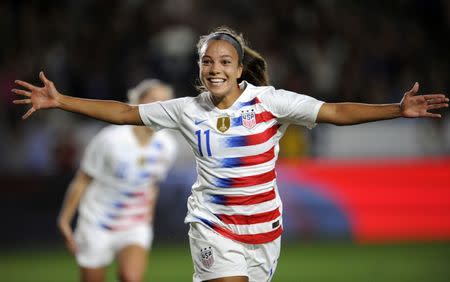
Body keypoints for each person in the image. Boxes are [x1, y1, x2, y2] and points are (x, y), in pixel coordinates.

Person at [13, 26, 448, 282]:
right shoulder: (186, 110)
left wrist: (396, 108)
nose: (214, 69)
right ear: (200, 69)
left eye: (224, 61)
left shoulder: (270, 102)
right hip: (214, 226)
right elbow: (127, 112)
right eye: (207, 62)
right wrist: (61, 100)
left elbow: (333, 110)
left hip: (265, 231)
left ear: (240, 69)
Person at [56, 79, 177, 282]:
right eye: (154, 101)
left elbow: (152, 185)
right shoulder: (110, 139)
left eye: (164, 103)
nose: (159, 108)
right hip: (97, 222)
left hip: (134, 225)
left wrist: (147, 219)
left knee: (131, 277)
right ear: (137, 101)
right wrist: (64, 220)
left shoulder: (167, 146)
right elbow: (82, 180)